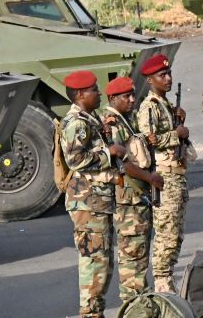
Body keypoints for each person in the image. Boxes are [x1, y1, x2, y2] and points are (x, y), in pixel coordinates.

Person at [59, 70, 126, 318]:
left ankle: (94, 311)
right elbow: (76, 159)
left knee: (103, 262)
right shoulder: (76, 122)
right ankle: (89, 313)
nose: (99, 93)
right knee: (94, 261)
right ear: (80, 94)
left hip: (97, 200)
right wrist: (111, 153)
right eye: (94, 90)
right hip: (87, 201)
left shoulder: (89, 118)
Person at [103, 76, 162, 302]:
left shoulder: (127, 119)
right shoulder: (112, 124)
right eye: (125, 96)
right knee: (132, 257)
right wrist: (150, 177)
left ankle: (140, 302)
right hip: (128, 199)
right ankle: (134, 305)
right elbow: (123, 164)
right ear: (112, 98)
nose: (131, 100)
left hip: (138, 197)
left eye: (132, 95)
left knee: (140, 255)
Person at [136, 54, 190, 292]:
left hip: (177, 174)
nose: (168, 79)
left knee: (176, 234)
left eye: (168, 74)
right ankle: (162, 282)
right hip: (164, 176)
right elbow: (150, 140)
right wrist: (176, 134)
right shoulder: (149, 107)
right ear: (150, 80)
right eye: (162, 75)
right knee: (167, 233)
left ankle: (167, 280)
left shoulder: (165, 104)